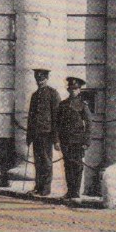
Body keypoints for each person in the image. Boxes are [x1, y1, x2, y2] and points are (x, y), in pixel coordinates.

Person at [25, 68, 60, 196]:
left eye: (42, 79)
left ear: (47, 79)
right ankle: (38, 186)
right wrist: (29, 136)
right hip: (36, 134)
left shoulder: (53, 94)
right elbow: (31, 117)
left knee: (46, 161)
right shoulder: (35, 95)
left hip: (47, 133)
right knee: (37, 161)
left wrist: (56, 139)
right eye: (38, 79)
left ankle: (46, 188)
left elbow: (56, 118)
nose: (40, 81)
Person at [57, 77, 91, 200]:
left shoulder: (82, 105)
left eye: (75, 89)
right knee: (67, 166)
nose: (73, 91)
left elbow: (89, 124)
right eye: (71, 89)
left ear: (79, 90)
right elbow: (58, 123)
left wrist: (87, 141)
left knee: (77, 166)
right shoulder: (63, 104)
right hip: (66, 140)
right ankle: (70, 191)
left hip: (78, 140)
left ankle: (75, 192)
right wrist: (57, 140)